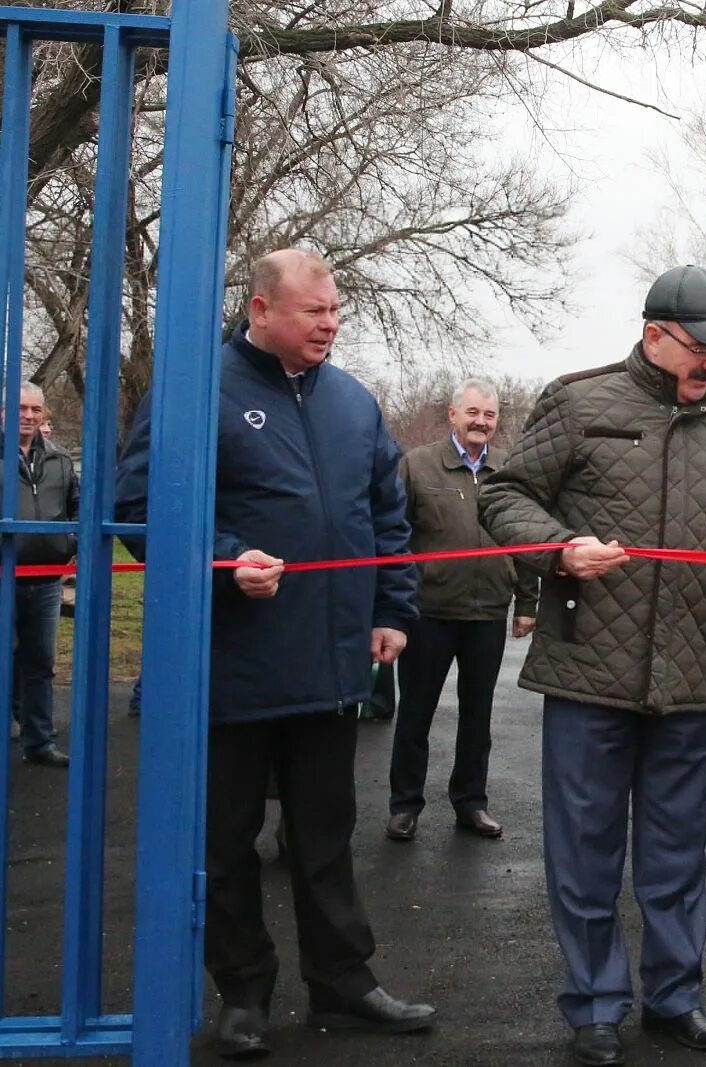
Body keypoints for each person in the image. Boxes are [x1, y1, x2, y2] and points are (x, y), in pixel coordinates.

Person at [115, 249, 435, 1060]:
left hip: (330, 667)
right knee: (226, 841)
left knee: (325, 834)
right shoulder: (195, 391)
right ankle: (244, 992)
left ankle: (344, 981)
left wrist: (393, 608)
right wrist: (225, 561)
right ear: (261, 310)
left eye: (334, 311)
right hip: (234, 665)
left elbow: (387, 513)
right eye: (313, 311)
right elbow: (139, 508)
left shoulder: (355, 404)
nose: (330, 323)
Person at [478, 264, 706, 1067]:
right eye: (701, 348)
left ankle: (675, 997)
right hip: (587, 671)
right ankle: (595, 1004)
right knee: (585, 847)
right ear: (655, 334)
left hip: (688, 676)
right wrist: (559, 549)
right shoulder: (578, 402)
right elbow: (504, 494)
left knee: (679, 849)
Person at [385, 379, 537, 843]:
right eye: (472, 413)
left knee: (478, 716)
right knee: (415, 714)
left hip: (487, 612)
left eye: (489, 415)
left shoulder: (509, 472)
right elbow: (392, 537)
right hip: (427, 611)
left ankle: (471, 803)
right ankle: (404, 806)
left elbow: (525, 540)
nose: (481, 422)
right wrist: (392, 604)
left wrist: (527, 601)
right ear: (452, 415)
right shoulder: (417, 466)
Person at [12, 382, 76, 767]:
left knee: (40, 662)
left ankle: (38, 741)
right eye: (21, 408)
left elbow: (76, 506)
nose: (29, 416)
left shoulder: (59, 458)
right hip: (4, 574)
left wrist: (69, 544)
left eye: (36, 409)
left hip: (46, 578)